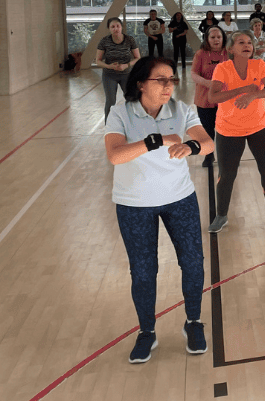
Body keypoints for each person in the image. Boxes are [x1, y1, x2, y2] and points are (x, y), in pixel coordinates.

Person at [103, 56, 215, 363]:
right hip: (133, 204)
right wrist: (156, 140)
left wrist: (191, 146)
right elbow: (115, 155)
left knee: (193, 263)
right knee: (142, 272)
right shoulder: (120, 113)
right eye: (160, 80)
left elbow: (207, 142)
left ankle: (193, 322)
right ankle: (147, 332)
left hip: (180, 198)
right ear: (141, 83)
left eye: (171, 80)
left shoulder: (183, 110)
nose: (168, 87)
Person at [206, 31, 265, 232]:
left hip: (260, 126)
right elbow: (213, 97)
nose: (247, 45)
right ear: (230, 49)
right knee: (227, 175)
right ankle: (221, 215)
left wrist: (253, 95)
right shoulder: (223, 68)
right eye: (241, 42)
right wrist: (242, 91)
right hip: (229, 129)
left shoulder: (260, 65)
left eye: (249, 42)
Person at [191, 25, 227, 167]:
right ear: (207, 39)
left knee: (226, 131)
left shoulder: (228, 53)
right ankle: (209, 155)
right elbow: (194, 74)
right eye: (213, 37)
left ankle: (226, 157)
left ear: (223, 38)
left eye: (219, 37)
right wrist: (208, 83)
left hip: (225, 100)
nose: (216, 40)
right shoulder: (200, 54)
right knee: (207, 130)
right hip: (204, 100)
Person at [95, 17, 141, 120]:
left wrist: (127, 65)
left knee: (131, 99)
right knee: (111, 101)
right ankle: (109, 127)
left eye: (117, 26)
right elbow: (97, 60)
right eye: (112, 27)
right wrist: (109, 66)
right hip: (109, 75)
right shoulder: (104, 41)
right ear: (109, 29)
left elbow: (138, 58)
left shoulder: (130, 40)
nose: (115, 29)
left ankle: (134, 123)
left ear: (121, 27)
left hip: (127, 75)